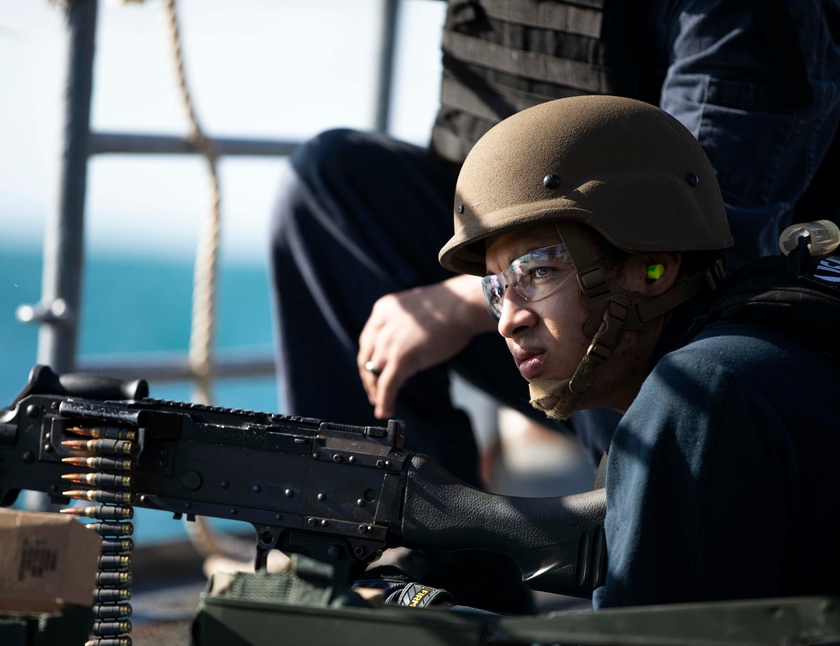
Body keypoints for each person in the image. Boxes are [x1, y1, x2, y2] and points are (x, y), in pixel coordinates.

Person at [269, 0, 840, 471]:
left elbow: (700, 210)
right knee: (330, 182)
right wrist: (502, 279)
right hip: (527, 269)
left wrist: (486, 292)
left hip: (664, 299)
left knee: (600, 302)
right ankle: (400, 550)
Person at [436, 93, 840, 646]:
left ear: (652, 267)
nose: (509, 319)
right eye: (496, 288)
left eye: (539, 272)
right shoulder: (770, 348)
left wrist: (431, 629)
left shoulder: (700, 394)